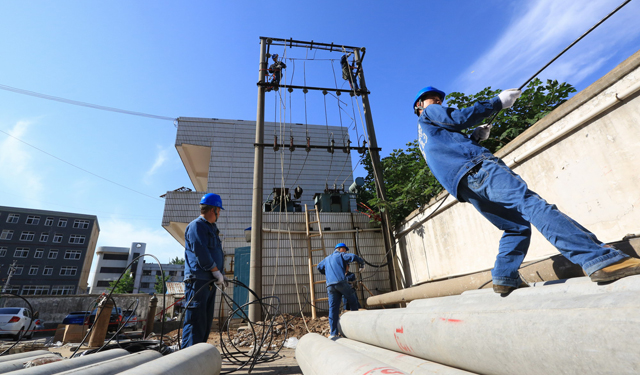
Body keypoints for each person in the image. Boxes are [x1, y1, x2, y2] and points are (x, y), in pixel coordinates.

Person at [412, 86, 640, 294]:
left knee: (515, 227)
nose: (439, 102)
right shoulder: (431, 113)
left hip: (464, 187)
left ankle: (504, 277)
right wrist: (497, 102)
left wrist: (475, 138)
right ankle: (600, 259)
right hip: (479, 169)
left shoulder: (424, 136)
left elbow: (450, 148)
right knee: (531, 204)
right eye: (434, 100)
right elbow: (458, 118)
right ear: (420, 106)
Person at [181, 193, 229, 348]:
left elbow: (213, 252)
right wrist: (215, 271)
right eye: (219, 211)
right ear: (213, 209)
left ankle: (199, 358)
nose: (219, 214)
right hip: (198, 280)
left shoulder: (210, 228)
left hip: (208, 281)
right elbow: (201, 251)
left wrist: (220, 274)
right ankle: (188, 360)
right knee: (196, 320)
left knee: (205, 321)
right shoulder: (196, 226)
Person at [317, 243, 365, 338]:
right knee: (353, 298)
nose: (345, 251)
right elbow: (353, 256)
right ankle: (355, 328)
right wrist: (362, 264)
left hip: (330, 285)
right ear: (340, 249)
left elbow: (319, 266)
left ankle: (333, 333)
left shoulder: (326, 259)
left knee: (333, 309)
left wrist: (326, 272)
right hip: (340, 282)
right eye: (345, 249)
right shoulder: (341, 255)